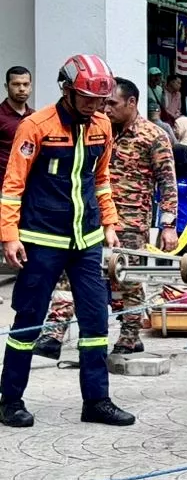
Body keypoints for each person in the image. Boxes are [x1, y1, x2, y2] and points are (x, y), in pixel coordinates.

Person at [0, 54, 134, 428]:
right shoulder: (35, 127)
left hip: (87, 239)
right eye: (88, 99)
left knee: (95, 321)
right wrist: (9, 236)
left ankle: (96, 401)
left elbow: (101, 178)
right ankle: (10, 399)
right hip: (41, 239)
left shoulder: (102, 126)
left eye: (100, 100)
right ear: (67, 91)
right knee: (29, 321)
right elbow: (12, 186)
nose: (95, 106)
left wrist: (109, 222)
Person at [37, 78, 180, 357]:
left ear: (132, 103)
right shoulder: (98, 130)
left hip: (131, 222)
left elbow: (168, 182)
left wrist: (168, 225)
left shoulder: (154, 136)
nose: (107, 109)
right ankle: (54, 333)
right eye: (105, 103)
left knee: (126, 278)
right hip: (90, 217)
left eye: (112, 103)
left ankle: (129, 335)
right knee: (70, 273)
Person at [0, 66, 33, 179]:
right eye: (16, 84)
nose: (22, 89)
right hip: (4, 185)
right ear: (6, 87)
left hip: (30, 185)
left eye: (26, 84)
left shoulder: (36, 117)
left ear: (30, 87)